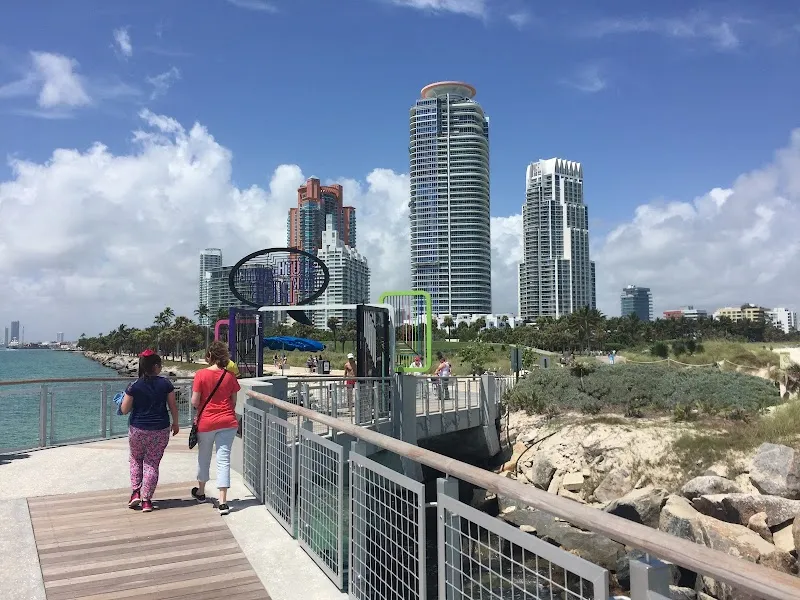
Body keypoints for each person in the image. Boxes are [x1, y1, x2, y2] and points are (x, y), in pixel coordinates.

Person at [120, 349, 179, 513]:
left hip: (138, 429)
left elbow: (124, 410)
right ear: (155, 366)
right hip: (160, 429)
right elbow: (173, 406)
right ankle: (146, 500)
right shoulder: (166, 384)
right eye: (160, 365)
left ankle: (136, 492)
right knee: (152, 464)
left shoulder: (134, 386)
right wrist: (176, 424)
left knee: (135, 459)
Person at [191, 341, 241, 515]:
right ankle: (223, 501)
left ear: (209, 356)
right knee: (223, 459)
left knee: (204, 457)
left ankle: (201, 492)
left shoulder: (200, 375)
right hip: (228, 422)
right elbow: (233, 402)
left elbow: (195, 402)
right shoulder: (230, 376)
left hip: (206, 422)